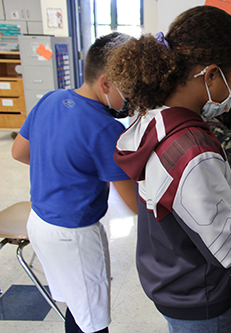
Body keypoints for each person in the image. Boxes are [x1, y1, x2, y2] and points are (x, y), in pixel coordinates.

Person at [106, 6, 231, 333]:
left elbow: (186, 205)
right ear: (211, 75)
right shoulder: (194, 148)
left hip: (168, 274)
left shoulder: (157, 120)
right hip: (196, 297)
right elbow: (227, 247)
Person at [11, 32, 138, 333]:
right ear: (106, 83)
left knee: (77, 305)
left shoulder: (51, 98)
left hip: (40, 223)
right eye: (129, 89)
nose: (131, 98)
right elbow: (132, 202)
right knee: (92, 324)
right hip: (75, 236)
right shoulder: (104, 127)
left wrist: (62, 167)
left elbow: (19, 151)